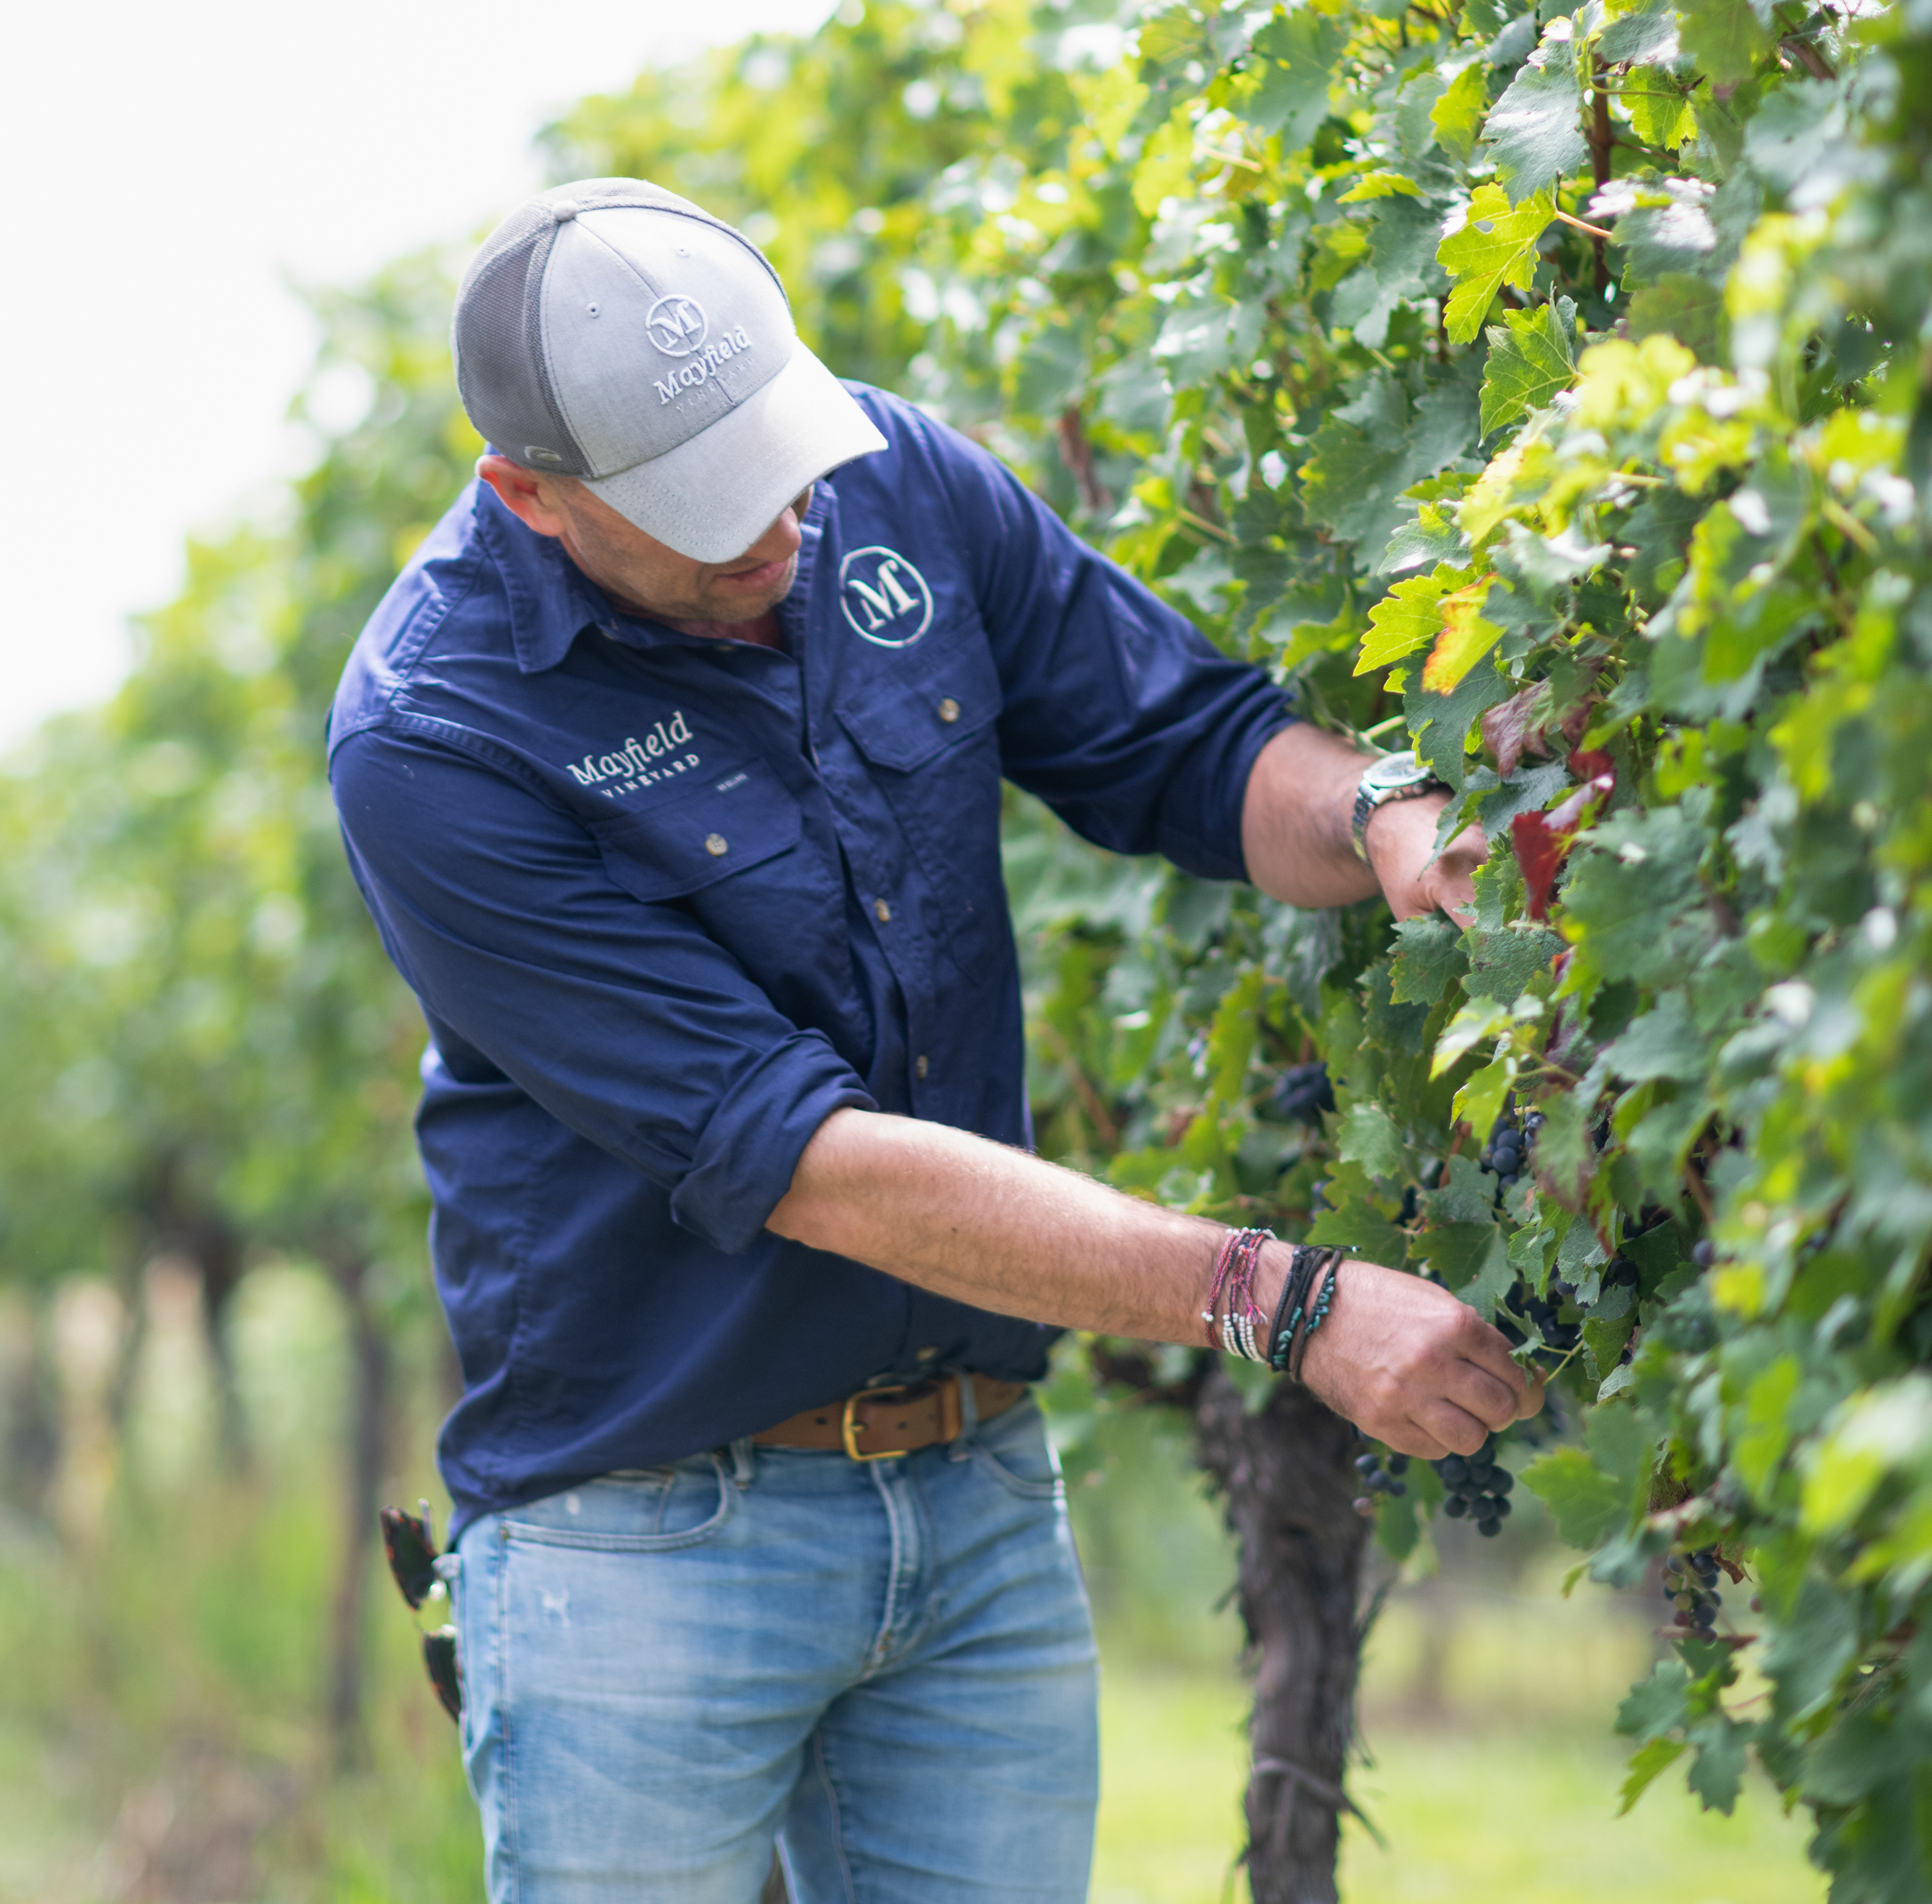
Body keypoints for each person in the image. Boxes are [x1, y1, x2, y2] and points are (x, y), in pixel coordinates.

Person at [328, 178, 1542, 1903]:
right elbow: (807, 1161)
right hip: (647, 1545)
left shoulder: (891, 480)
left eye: (782, 463)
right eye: (703, 512)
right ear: (529, 495)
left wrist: (1390, 813)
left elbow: (1188, 743)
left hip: (971, 1489)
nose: (779, 533)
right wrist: (1284, 1295)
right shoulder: (438, 732)